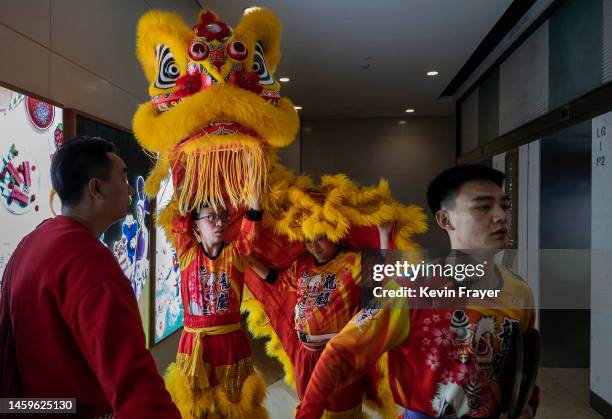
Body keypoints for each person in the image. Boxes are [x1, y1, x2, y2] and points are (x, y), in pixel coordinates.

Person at [296, 165, 539, 419]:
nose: (501, 216)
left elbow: (523, 364)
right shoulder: (412, 288)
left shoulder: (519, 290)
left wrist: (528, 406)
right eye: (483, 207)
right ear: (445, 220)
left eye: (505, 205)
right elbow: (340, 353)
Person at [0, 137, 180, 418]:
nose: (130, 187)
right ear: (96, 188)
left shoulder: (31, 242)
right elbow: (133, 383)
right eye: (122, 176)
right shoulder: (91, 264)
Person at [248, 223, 394, 417]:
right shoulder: (302, 264)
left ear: (334, 234)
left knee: (341, 410)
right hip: (305, 355)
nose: (314, 245)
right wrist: (249, 260)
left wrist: (384, 234)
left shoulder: (352, 261)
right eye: (308, 240)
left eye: (320, 238)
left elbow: (384, 274)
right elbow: (276, 279)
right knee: (310, 406)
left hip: (338, 354)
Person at [163, 194, 268, 418]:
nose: (219, 222)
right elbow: (179, 218)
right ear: (196, 226)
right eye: (211, 217)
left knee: (233, 405)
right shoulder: (187, 252)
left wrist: (253, 183)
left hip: (230, 342)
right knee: (194, 407)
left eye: (223, 216)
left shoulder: (237, 253)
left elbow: (253, 222)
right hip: (194, 343)